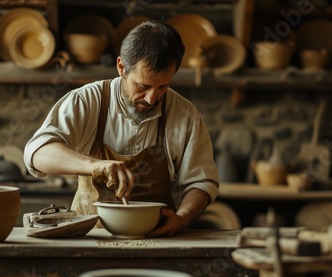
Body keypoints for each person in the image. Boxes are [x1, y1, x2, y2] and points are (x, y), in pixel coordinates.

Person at [23, 20, 219, 237]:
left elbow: (201, 182)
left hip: (157, 238)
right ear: (121, 67)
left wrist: (182, 218)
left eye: (163, 86)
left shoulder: (186, 115)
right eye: (143, 86)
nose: (152, 98)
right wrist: (95, 165)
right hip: (89, 237)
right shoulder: (88, 101)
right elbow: (37, 153)